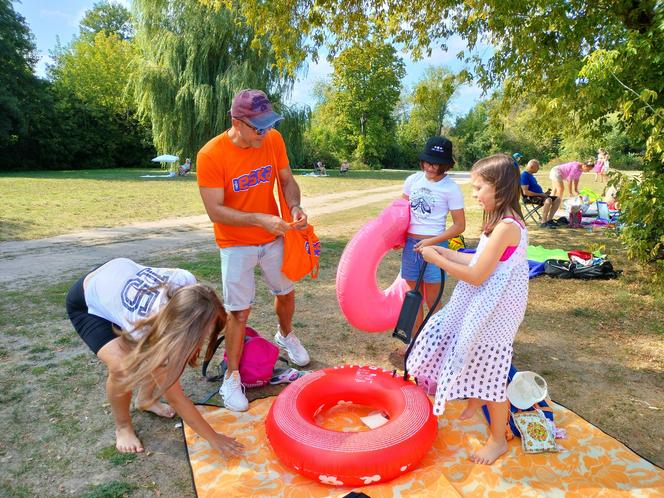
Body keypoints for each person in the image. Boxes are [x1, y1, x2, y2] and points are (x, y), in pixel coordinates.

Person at [406, 153, 529, 465]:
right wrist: (441, 250)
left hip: (499, 311)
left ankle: (498, 439)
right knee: (467, 346)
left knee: (494, 374)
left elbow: (476, 275)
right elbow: (476, 261)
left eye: (478, 188)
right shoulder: (498, 224)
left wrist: (438, 260)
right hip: (487, 304)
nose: (474, 195)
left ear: (499, 187)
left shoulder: (507, 228)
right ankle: (476, 396)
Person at [196, 89, 311, 412]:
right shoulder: (211, 155)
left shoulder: (272, 139)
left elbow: (286, 180)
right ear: (237, 122)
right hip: (235, 245)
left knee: (286, 292)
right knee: (239, 312)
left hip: (273, 237)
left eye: (268, 124)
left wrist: (294, 206)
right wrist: (258, 218)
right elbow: (215, 211)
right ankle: (232, 377)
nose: (265, 132)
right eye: (258, 127)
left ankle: (285, 335)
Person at [65, 258, 243, 457]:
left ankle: (146, 400)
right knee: (124, 369)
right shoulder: (144, 328)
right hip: (86, 298)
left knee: (162, 358)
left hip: (114, 276)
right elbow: (175, 398)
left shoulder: (186, 281)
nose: (203, 338)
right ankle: (123, 427)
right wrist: (214, 437)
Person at [401, 136, 465, 338]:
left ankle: (438, 342)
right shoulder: (412, 180)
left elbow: (459, 226)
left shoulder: (451, 187)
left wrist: (431, 242)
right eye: (428, 161)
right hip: (411, 246)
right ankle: (415, 342)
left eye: (437, 163)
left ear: (445, 164)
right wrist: (397, 237)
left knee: (433, 300)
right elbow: (401, 212)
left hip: (435, 247)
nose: (431, 166)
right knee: (413, 298)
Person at [520, 159, 562, 229]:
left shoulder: (531, 175)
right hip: (529, 198)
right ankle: (543, 222)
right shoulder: (524, 175)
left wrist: (544, 193)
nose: (539, 168)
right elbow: (525, 192)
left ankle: (549, 220)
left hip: (539, 196)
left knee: (557, 199)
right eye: (537, 167)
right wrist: (541, 195)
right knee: (548, 200)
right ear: (532, 167)